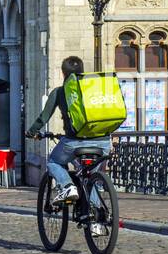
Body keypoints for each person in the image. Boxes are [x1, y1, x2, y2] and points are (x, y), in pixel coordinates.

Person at [25, 55, 111, 234]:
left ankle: (68, 186)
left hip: (75, 142)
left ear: (63, 73)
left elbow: (43, 117)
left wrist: (32, 132)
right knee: (91, 179)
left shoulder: (60, 91)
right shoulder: (92, 88)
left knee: (54, 162)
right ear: (81, 71)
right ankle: (96, 221)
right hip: (103, 141)